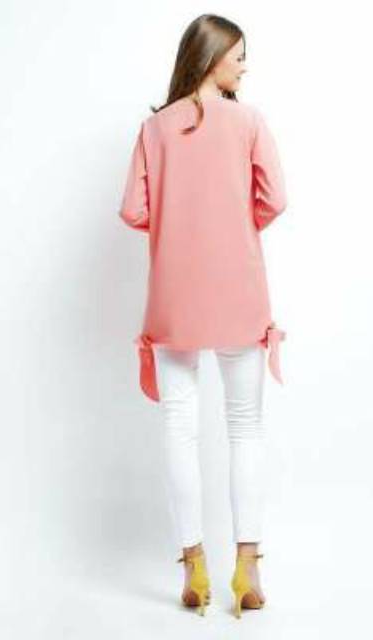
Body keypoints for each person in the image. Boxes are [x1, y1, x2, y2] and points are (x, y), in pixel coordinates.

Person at [118, 13, 287, 618]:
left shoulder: (154, 129)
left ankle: (193, 563)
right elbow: (275, 198)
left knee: (179, 427)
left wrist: (179, 225)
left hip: (174, 294)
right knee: (245, 427)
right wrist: (234, 227)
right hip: (239, 290)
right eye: (238, 56)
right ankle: (247, 567)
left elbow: (134, 210)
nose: (245, 66)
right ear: (212, 57)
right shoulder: (249, 122)